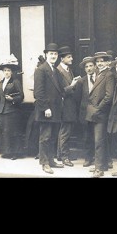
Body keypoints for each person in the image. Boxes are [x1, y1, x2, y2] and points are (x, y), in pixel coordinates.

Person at [34, 43, 65, 174]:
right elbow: (38, 92)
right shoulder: (41, 69)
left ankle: (51, 160)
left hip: (56, 110)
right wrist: (45, 108)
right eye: (51, 53)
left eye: (56, 54)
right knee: (45, 137)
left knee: (52, 137)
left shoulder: (55, 70)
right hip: (46, 110)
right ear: (46, 55)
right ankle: (45, 163)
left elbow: (59, 89)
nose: (53, 56)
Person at [86, 51, 115, 177]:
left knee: (99, 141)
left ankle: (99, 169)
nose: (99, 63)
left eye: (102, 61)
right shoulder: (98, 73)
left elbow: (109, 96)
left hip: (101, 113)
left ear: (107, 62)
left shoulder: (108, 75)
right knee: (99, 140)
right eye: (97, 61)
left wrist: (98, 108)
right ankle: (102, 164)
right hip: (96, 112)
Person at [0, 55, 24, 160]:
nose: (7, 72)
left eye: (8, 70)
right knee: (4, 132)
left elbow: (21, 96)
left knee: (13, 132)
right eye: (5, 70)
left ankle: (15, 153)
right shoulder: (1, 82)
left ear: (12, 72)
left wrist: (12, 99)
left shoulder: (15, 81)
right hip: (2, 110)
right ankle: (6, 152)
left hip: (12, 111)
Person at [56, 46, 80, 166]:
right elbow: (62, 91)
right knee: (65, 131)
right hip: (64, 106)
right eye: (69, 57)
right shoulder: (58, 71)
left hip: (70, 106)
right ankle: (64, 156)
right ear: (62, 58)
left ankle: (61, 155)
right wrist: (73, 84)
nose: (72, 58)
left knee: (65, 131)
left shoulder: (68, 69)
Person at [76, 56, 97, 167]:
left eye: (90, 66)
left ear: (95, 66)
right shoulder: (81, 81)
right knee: (87, 136)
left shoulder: (100, 78)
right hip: (85, 114)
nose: (89, 68)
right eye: (86, 67)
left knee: (100, 136)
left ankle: (102, 159)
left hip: (98, 113)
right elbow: (78, 99)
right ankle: (88, 158)